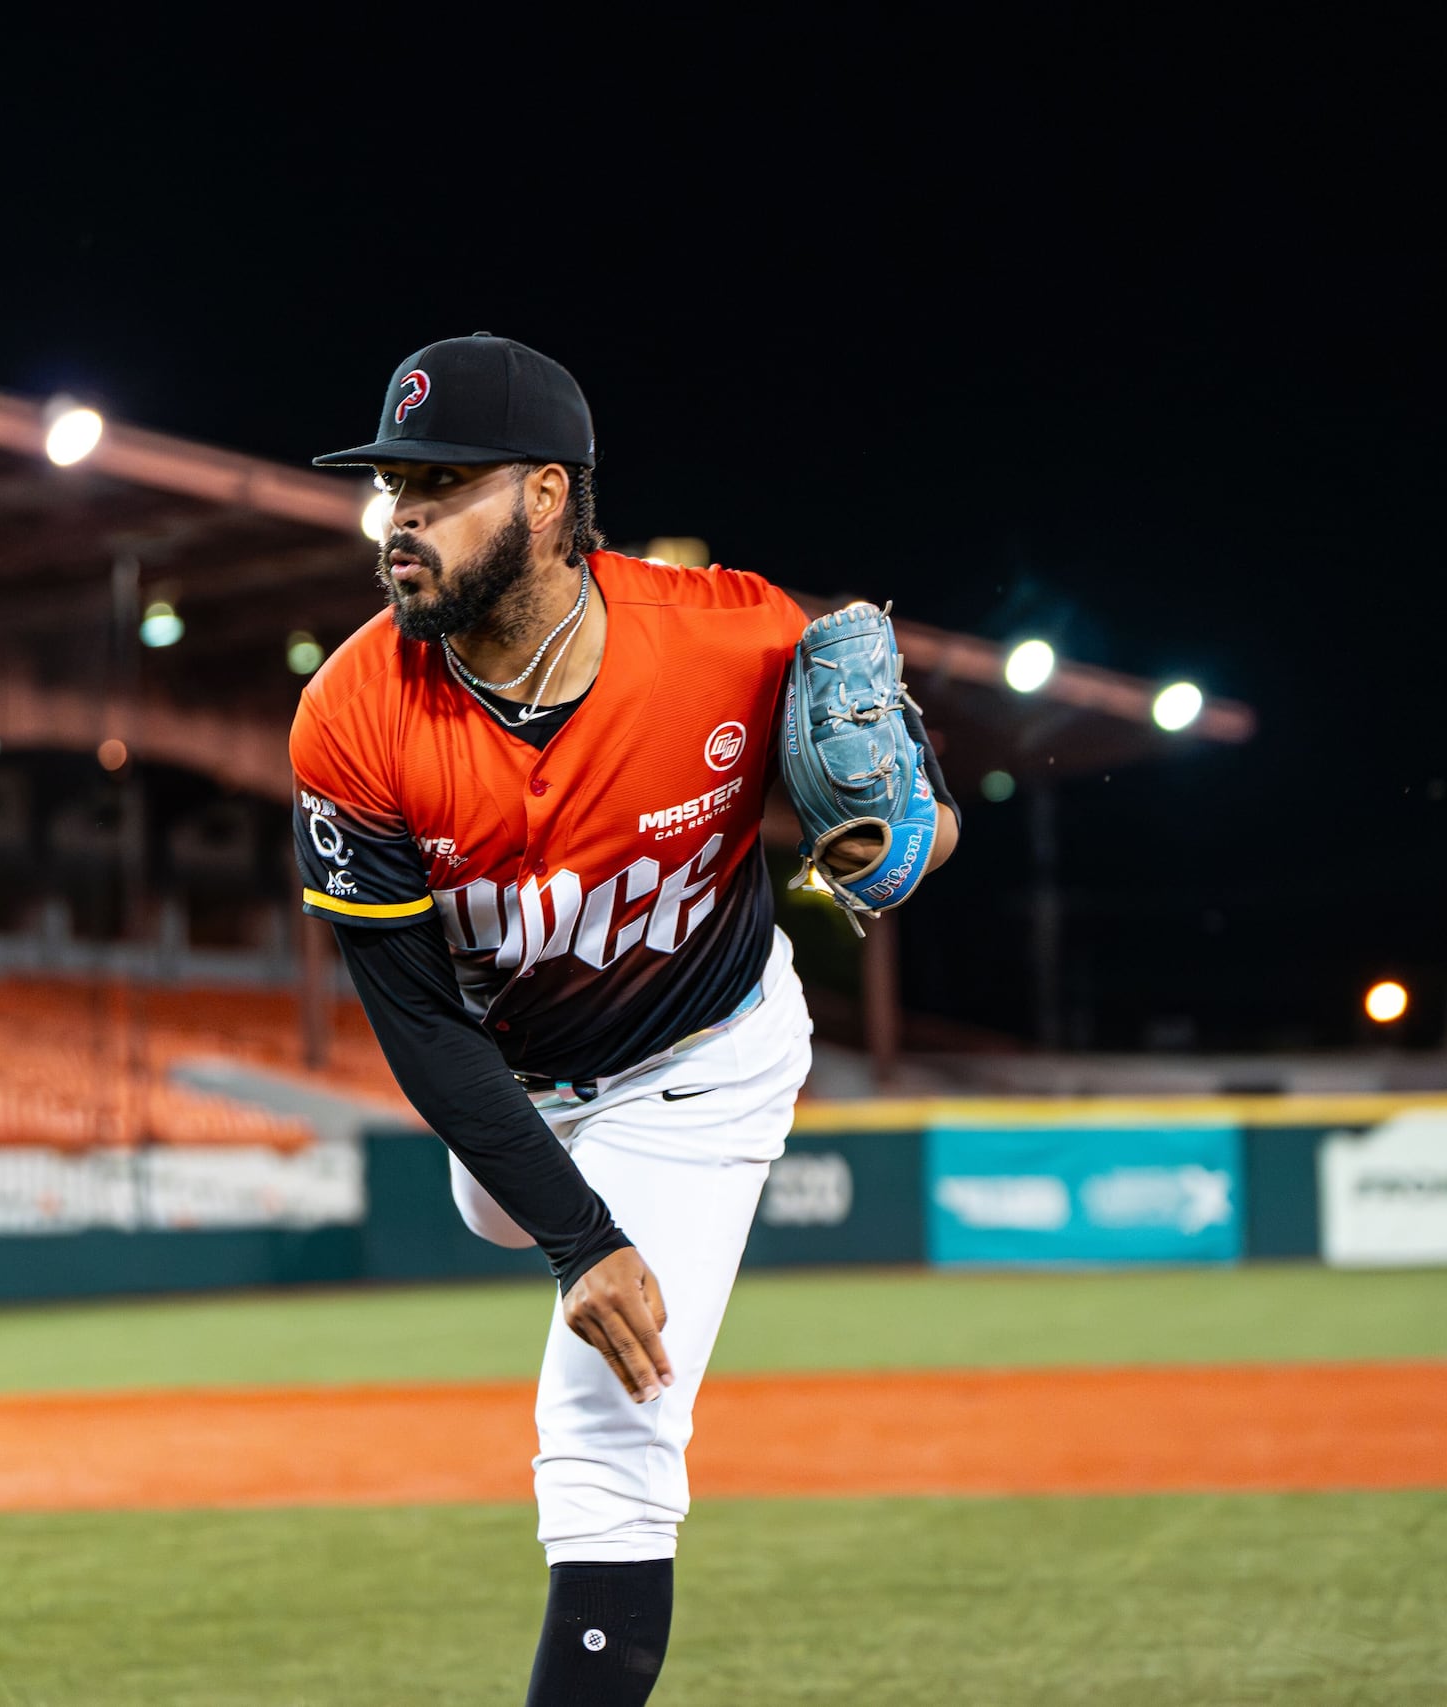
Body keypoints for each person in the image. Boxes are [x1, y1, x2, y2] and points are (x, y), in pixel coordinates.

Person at [292, 334, 958, 1705]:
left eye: (438, 484)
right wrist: (579, 1234)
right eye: (390, 488)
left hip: (703, 1064)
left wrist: (901, 837)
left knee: (604, 1445)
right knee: (512, 1205)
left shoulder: (731, 634)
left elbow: (920, 807)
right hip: (520, 1082)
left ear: (546, 494)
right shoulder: (352, 715)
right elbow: (418, 1026)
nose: (398, 519)